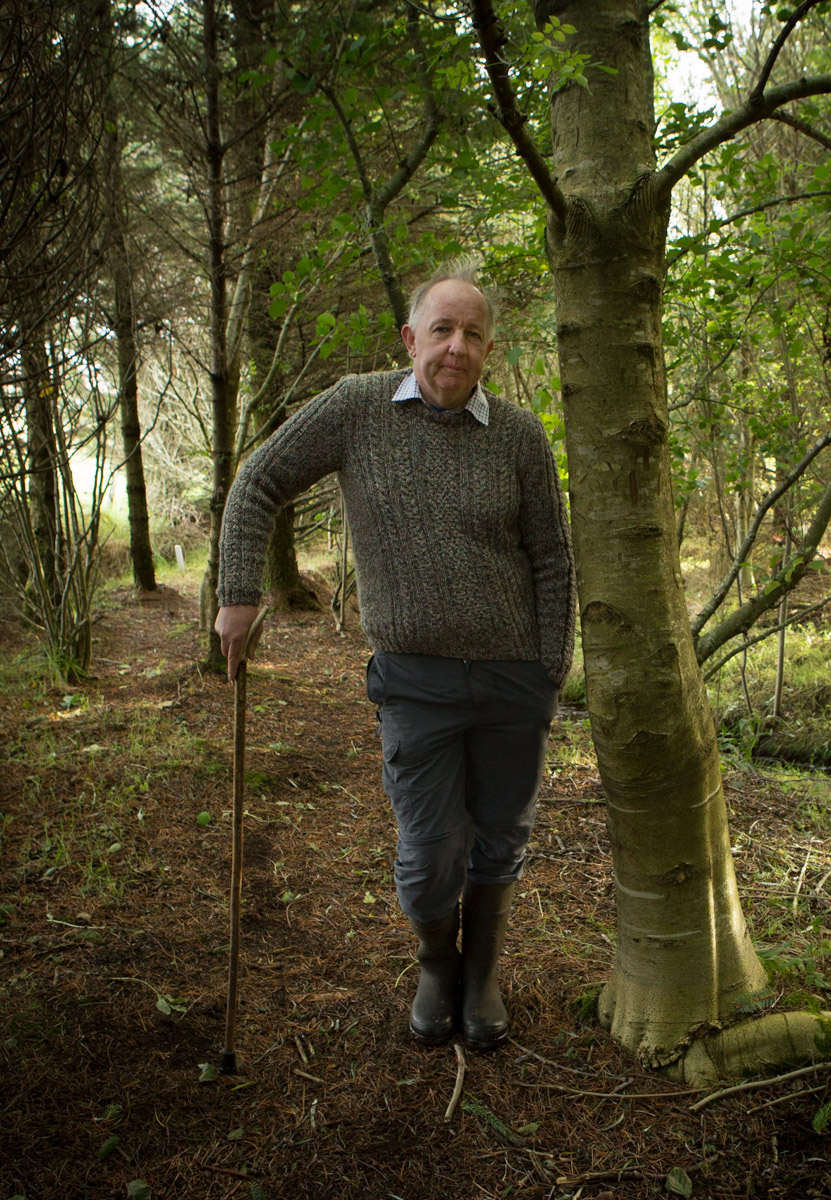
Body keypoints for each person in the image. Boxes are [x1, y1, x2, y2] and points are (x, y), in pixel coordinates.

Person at [215, 259, 576, 1051]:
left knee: (499, 835)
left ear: (489, 348)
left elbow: (551, 556)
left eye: (472, 334)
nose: (456, 347)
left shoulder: (518, 436)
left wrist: (552, 665)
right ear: (411, 338)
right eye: (441, 330)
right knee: (429, 846)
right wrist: (240, 592)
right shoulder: (357, 410)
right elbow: (259, 480)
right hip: (416, 683)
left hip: (516, 680)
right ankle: (435, 966)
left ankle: (480, 973)